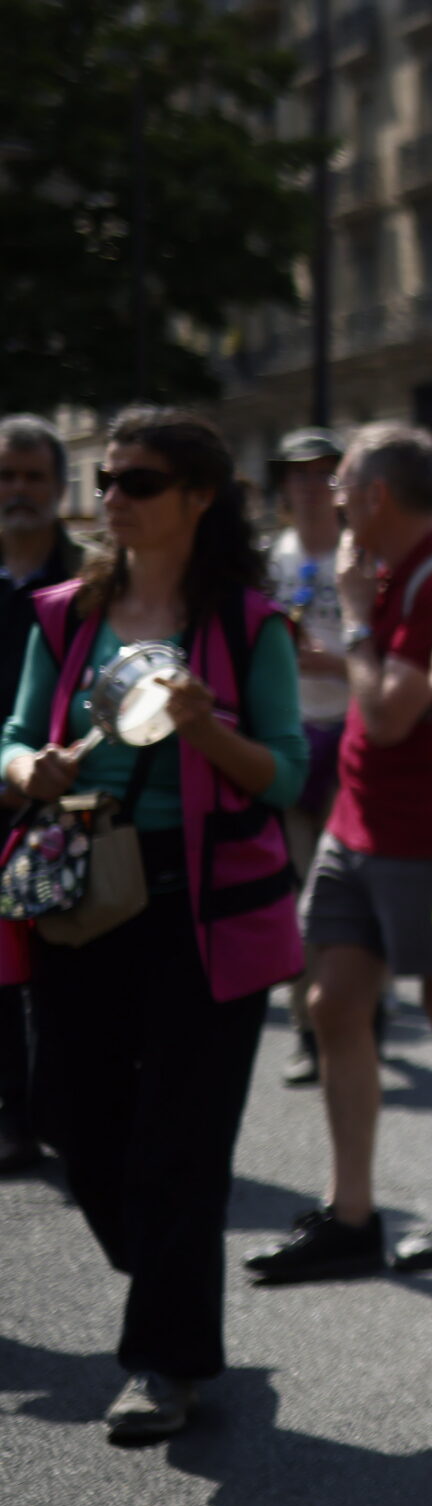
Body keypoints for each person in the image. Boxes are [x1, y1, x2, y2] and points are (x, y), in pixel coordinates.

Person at [1, 408, 309, 1441]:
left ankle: (165, 1359)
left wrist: (205, 728)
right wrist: (22, 768)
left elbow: (285, 774)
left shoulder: (248, 624)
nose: (114, 497)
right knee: (68, 1114)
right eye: (110, 479)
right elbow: (9, 735)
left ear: (198, 497)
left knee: (181, 1141)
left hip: (200, 903)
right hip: (80, 885)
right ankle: (172, 1276)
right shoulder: (65, 612)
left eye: (138, 480)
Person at [242, 424, 432, 1284]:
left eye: (341, 486)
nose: (330, 500)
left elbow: (387, 714)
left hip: (421, 834)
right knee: (334, 1002)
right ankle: (352, 1217)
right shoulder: (389, 568)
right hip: (357, 822)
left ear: (376, 496)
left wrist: (362, 623)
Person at [0, 416, 83, 1171]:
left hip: (59, 801)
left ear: (59, 489)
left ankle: (55, 1110)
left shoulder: (89, 586)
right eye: (5, 476)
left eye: (32, 477)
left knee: (55, 973)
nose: (18, 491)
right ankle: (12, 1116)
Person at [268, 427, 349, 1088]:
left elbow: (390, 652)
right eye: (298, 475)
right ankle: (308, 1029)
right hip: (293, 736)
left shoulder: (362, 553)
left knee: (346, 891)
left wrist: (336, 661)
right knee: (300, 891)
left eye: (323, 473)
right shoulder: (277, 556)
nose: (310, 486)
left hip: (352, 735)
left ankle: (357, 1018)